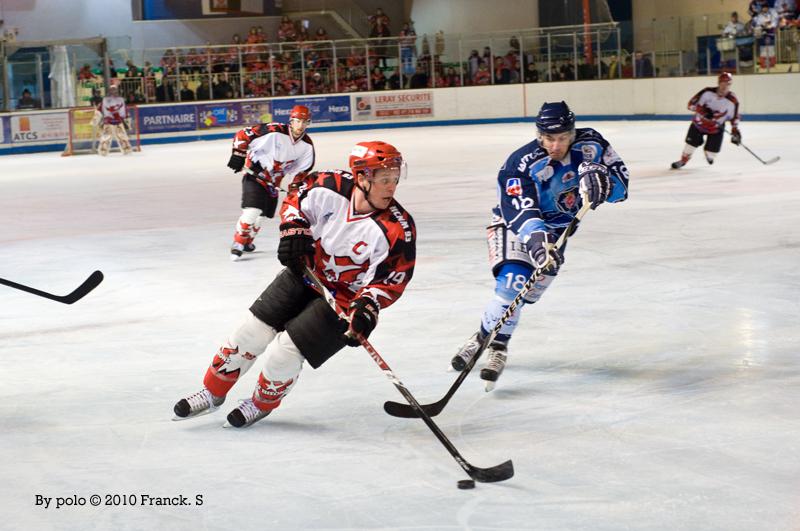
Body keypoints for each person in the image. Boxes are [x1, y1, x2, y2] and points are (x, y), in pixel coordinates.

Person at [173, 141, 416, 428]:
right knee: (250, 332)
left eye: (395, 179)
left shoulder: (398, 229)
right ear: (362, 177)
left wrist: (366, 308)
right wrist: (294, 229)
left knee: (284, 352)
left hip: (344, 301)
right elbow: (295, 200)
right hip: (305, 273)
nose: (392, 187)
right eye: (385, 179)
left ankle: (260, 404)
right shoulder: (329, 185)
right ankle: (212, 393)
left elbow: (389, 280)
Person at [450, 101, 630, 390]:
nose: (556, 146)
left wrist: (604, 181)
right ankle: (493, 344)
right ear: (539, 135)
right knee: (513, 283)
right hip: (514, 227)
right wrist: (536, 240)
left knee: (525, 296)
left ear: (573, 133)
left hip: (559, 234)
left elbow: (621, 189)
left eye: (563, 138)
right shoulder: (521, 163)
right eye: (549, 138)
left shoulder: (593, 145)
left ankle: (488, 336)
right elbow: (520, 209)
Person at [226, 105, 315, 261]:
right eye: (297, 121)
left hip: (273, 184)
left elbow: (302, 171)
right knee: (253, 210)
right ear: (291, 121)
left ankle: (248, 241)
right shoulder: (274, 130)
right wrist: (239, 154)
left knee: (262, 216)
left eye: (304, 122)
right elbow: (243, 134)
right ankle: (238, 242)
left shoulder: (307, 146)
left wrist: (295, 188)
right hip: (254, 175)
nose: (300, 125)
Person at [671, 72, 741, 169]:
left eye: (728, 84)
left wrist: (735, 130)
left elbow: (735, 117)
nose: (725, 86)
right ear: (719, 83)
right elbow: (690, 105)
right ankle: (683, 160)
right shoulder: (707, 92)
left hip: (716, 129)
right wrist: (703, 111)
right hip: (698, 125)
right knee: (690, 145)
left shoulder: (733, 101)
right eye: (723, 83)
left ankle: (708, 153)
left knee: (711, 155)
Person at [97, 85, 133, 156]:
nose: (113, 92)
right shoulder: (107, 100)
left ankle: (126, 149)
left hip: (115, 121)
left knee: (121, 136)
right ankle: (103, 150)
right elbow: (99, 110)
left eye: (114, 90)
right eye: (112, 90)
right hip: (111, 121)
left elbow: (125, 111)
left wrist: (128, 121)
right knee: (107, 137)